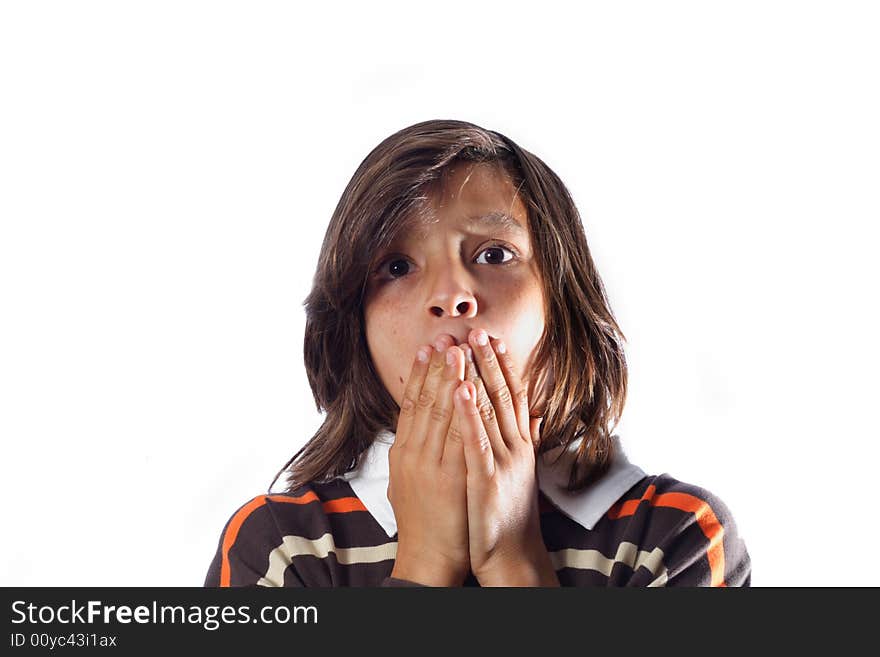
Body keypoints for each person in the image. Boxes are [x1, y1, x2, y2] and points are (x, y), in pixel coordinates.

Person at [204, 119, 751, 587]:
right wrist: (426, 563)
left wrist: (514, 559)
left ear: (561, 303)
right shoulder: (281, 548)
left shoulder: (676, 537)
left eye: (494, 253)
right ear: (356, 325)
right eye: (397, 267)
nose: (451, 295)